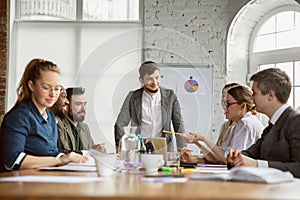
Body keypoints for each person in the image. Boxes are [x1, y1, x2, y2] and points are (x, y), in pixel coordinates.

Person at [0, 58, 87, 172]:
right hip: (20, 185)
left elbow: (53, 153)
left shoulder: (50, 117)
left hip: (43, 179)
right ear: (31, 86)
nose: (53, 94)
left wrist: (78, 156)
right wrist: (59, 161)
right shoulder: (19, 117)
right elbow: (12, 160)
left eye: (57, 89)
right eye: (46, 88)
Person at [227, 68, 300, 178]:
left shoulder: (296, 121)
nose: (251, 98)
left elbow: (298, 167)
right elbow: (252, 153)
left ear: (270, 95)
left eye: (254, 93)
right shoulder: (271, 126)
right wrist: (236, 157)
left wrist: (257, 164)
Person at [181, 84, 264, 164]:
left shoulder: (246, 124)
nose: (225, 108)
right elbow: (218, 157)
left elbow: (229, 160)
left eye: (228, 104)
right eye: (224, 104)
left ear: (243, 105)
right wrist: (197, 141)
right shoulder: (236, 125)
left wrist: (203, 139)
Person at [114, 61, 186, 152]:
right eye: (149, 79)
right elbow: (120, 124)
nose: (154, 82)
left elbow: (178, 125)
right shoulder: (132, 97)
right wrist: (121, 150)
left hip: (164, 148)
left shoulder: (170, 96)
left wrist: (182, 149)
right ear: (141, 80)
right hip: (140, 148)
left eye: (157, 77)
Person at [64, 87, 106, 153]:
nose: (83, 108)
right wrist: (91, 152)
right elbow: (65, 153)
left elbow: (91, 150)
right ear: (66, 106)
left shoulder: (84, 127)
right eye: (78, 104)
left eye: (85, 104)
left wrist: (100, 151)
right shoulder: (58, 125)